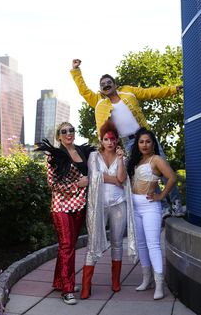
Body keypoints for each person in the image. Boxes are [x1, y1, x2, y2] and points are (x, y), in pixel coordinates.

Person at [70, 59, 184, 218]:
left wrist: (173, 89)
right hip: (129, 143)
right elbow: (83, 90)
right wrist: (76, 71)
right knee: (147, 174)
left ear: (115, 85)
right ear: (101, 89)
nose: (106, 85)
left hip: (144, 134)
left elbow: (149, 92)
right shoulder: (98, 101)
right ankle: (163, 206)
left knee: (163, 167)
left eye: (109, 82)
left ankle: (177, 202)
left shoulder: (128, 91)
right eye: (103, 84)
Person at [35, 122, 93, 305]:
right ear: (59, 136)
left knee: (68, 246)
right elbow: (53, 184)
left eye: (71, 130)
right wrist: (77, 185)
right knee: (67, 246)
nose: (68, 133)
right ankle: (67, 290)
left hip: (80, 205)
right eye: (64, 131)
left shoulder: (83, 152)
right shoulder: (54, 155)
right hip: (61, 207)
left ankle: (60, 281)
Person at [80, 120, 137, 299]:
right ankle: (86, 285)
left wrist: (120, 161)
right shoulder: (94, 157)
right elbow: (96, 176)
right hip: (99, 205)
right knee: (93, 241)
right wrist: (115, 180)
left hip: (119, 204)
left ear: (117, 140)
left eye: (113, 139)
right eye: (106, 139)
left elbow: (122, 177)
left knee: (117, 242)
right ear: (101, 140)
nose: (110, 142)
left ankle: (115, 281)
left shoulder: (123, 157)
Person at [127, 127, 176, 300]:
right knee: (141, 244)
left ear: (153, 143)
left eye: (148, 141)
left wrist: (161, 195)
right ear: (137, 144)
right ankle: (147, 279)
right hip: (135, 207)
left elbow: (172, 177)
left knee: (153, 244)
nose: (145, 145)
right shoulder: (136, 161)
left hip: (150, 207)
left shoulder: (156, 160)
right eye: (141, 142)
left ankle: (159, 283)